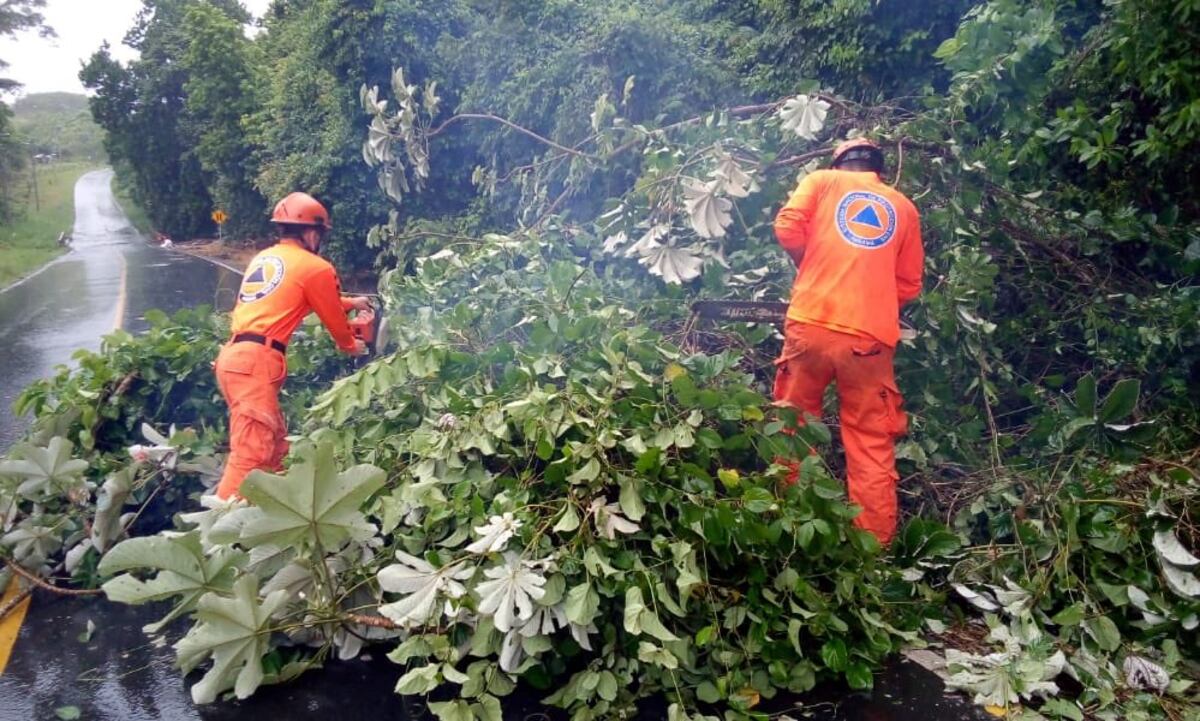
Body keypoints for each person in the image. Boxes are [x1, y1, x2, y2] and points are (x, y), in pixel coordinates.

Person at [772, 138, 924, 545]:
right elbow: (909, 284)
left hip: (811, 323)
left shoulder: (821, 181)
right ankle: (872, 551)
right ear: (879, 170)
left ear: (839, 163)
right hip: (869, 340)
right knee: (870, 439)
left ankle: (791, 521)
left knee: (794, 424)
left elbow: (787, 228)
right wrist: (870, 293)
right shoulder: (903, 208)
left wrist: (814, 266)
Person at [214, 192, 370, 500]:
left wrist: (352, 302)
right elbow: (334, 322)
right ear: (312, 232)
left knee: (275, 449)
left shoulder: (267, 258)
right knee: (252, 453)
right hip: (255, 363)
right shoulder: (315, 266)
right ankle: (216, 535)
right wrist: (352, 345)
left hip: (235, 358)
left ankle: (280, 515)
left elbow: (299, 298)